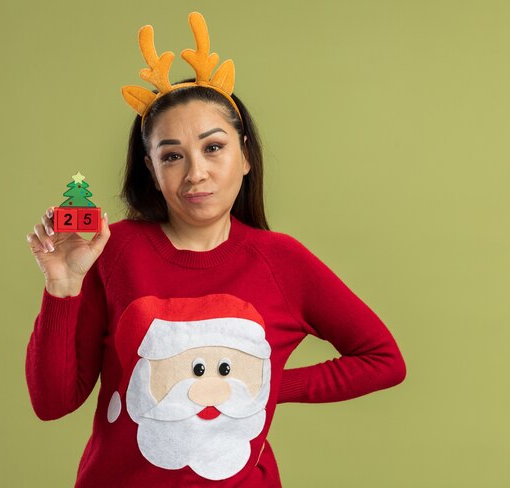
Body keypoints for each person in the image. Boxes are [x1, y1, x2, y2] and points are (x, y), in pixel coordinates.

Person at [25, 12, 406, 488]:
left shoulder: (281, 260)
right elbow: (52, 403)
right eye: (171, 155)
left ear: (244, 155)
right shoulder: (113, 250)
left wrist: (268, 385)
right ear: (151, 169)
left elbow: (384, 360)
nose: (195, 173)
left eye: (213, 148)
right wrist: (62, 286)